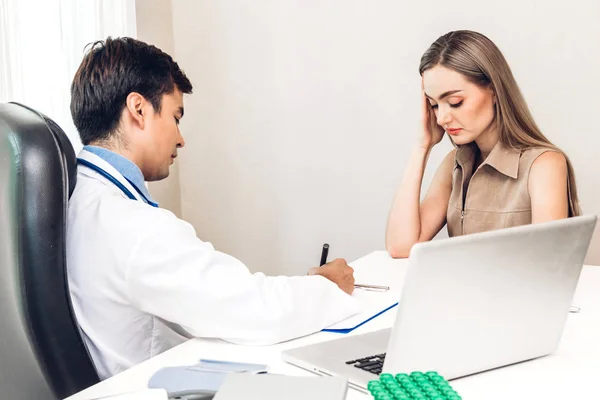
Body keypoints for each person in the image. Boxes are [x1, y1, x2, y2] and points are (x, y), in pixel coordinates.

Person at [67, 37, 358, 380]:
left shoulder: (77, 200)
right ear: (139, 109)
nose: (181, 138)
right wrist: (326, 286)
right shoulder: (133, 229)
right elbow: (258, 312)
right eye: (176, 117)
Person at [385, 30, 580, 259]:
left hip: (517, 294)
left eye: (455, 102)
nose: (441, 118)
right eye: (434, 105)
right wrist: (422, 147)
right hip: (464, 293)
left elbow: (548, 264)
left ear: (495, 90)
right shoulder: (455, 164)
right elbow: (400, 247)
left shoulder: (544, 164)